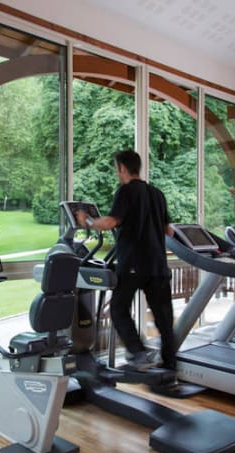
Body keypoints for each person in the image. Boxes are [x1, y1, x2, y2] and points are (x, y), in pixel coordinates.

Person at [75, 149, 176, 372]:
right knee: (164, 320)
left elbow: (110, 222)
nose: (116, 173)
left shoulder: (126, 191)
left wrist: (87, 221)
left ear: (122, 167)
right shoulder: (157, 194)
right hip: (158, 266)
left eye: (116, 168)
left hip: (133, 264)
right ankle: (170, 367)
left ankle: (139, 353)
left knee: (118, 310)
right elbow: (168, 230)